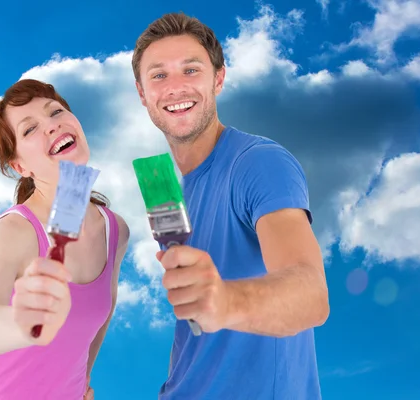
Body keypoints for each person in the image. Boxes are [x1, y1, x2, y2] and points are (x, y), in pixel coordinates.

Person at [131, 13, 330, 399]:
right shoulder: (173, 195)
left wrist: (226, 301)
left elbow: (311, 295)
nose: (175, 87)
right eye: (158, 75)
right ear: (142, 93)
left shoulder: (259, 162)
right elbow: (195, 331)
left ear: (218, 79)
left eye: (191, 70)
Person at [0, 79, 129, 400]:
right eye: (29, 129)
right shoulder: (15, 230)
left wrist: (83, 381)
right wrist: (23, 324)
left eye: (56, 112)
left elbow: (102, 313)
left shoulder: (115, 230)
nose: (52, 126)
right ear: (19, 166)